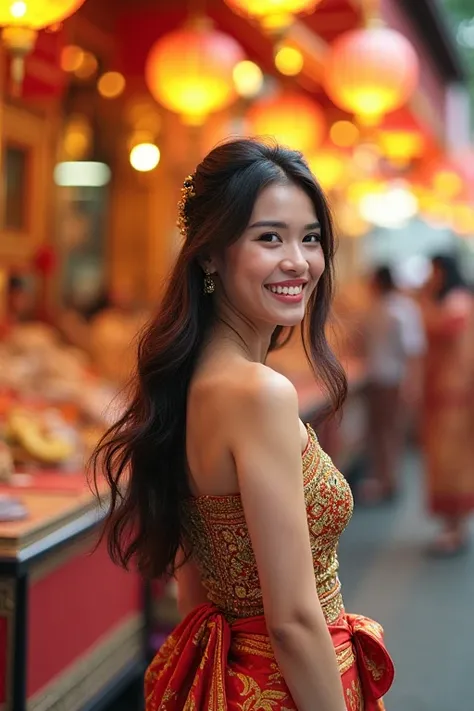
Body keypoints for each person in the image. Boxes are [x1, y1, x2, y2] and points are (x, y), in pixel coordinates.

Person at [91, 139, 394, 710]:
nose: (298, 261)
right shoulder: (259, 393)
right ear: (210, 255)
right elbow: (295, 620)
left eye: (310, 238)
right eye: (269, 237)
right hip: (293, 688)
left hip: (231, 682)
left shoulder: (189, 380)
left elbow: (194, 591)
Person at [420, 253, 474, 555]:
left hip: (457, 395)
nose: (430, 276)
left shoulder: (456, 301)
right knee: (443, 459)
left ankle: (456, 527)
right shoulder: (452, 299)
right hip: (444, 393)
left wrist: (424, 301)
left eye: (433, 270)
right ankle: (452, 525)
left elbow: (442, 328)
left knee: (453, 460)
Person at [361, 265, 426, 504]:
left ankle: (389, 481)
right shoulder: (377, 307)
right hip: (376, 376)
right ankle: (382, 478)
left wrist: (412, 383)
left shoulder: (402, 309)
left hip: (394, 378)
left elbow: (414, 350)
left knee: (390, 431)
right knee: (377, 430)